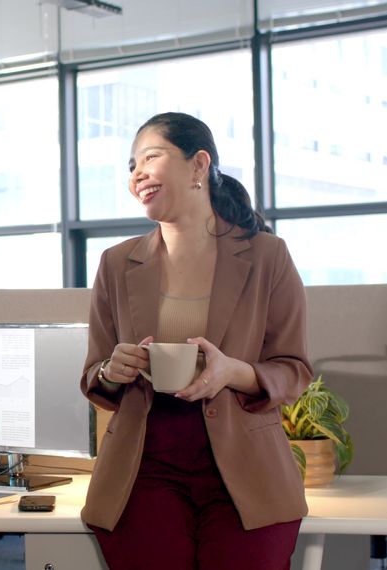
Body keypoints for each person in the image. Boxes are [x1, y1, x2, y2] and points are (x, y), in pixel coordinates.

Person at [79, 111, 313, 569]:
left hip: (246, 471)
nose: (137, 173)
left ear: (199, 165)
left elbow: (294, 369)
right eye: (131, 166)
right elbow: (94, 375)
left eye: (151, 156)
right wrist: (112, 369)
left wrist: (233, 372)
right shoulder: (115, 262)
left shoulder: (267, 255)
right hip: (143, 468)